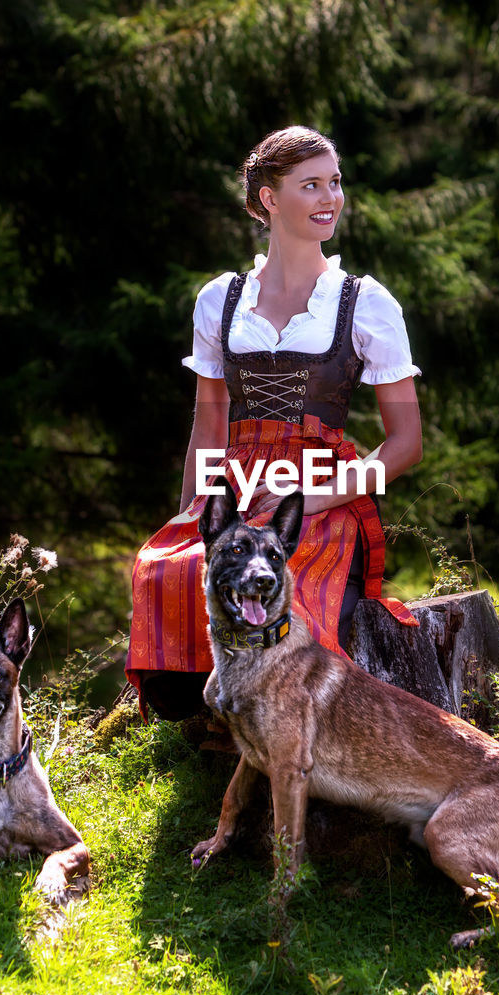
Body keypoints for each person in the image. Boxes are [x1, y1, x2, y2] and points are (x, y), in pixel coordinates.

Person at [124, 126, 423, 721]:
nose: (329, 199)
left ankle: (289, 719)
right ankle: (206, 718)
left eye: (334, 183)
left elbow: (407, 444)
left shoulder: (364, 301)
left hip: (322, 489)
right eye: (310, 185)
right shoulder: (220, 299)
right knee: (165, 570)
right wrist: (192, 514)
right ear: (268, 199)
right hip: (235, 485)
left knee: (288, 579)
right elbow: (208, 429)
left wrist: (316, 498)